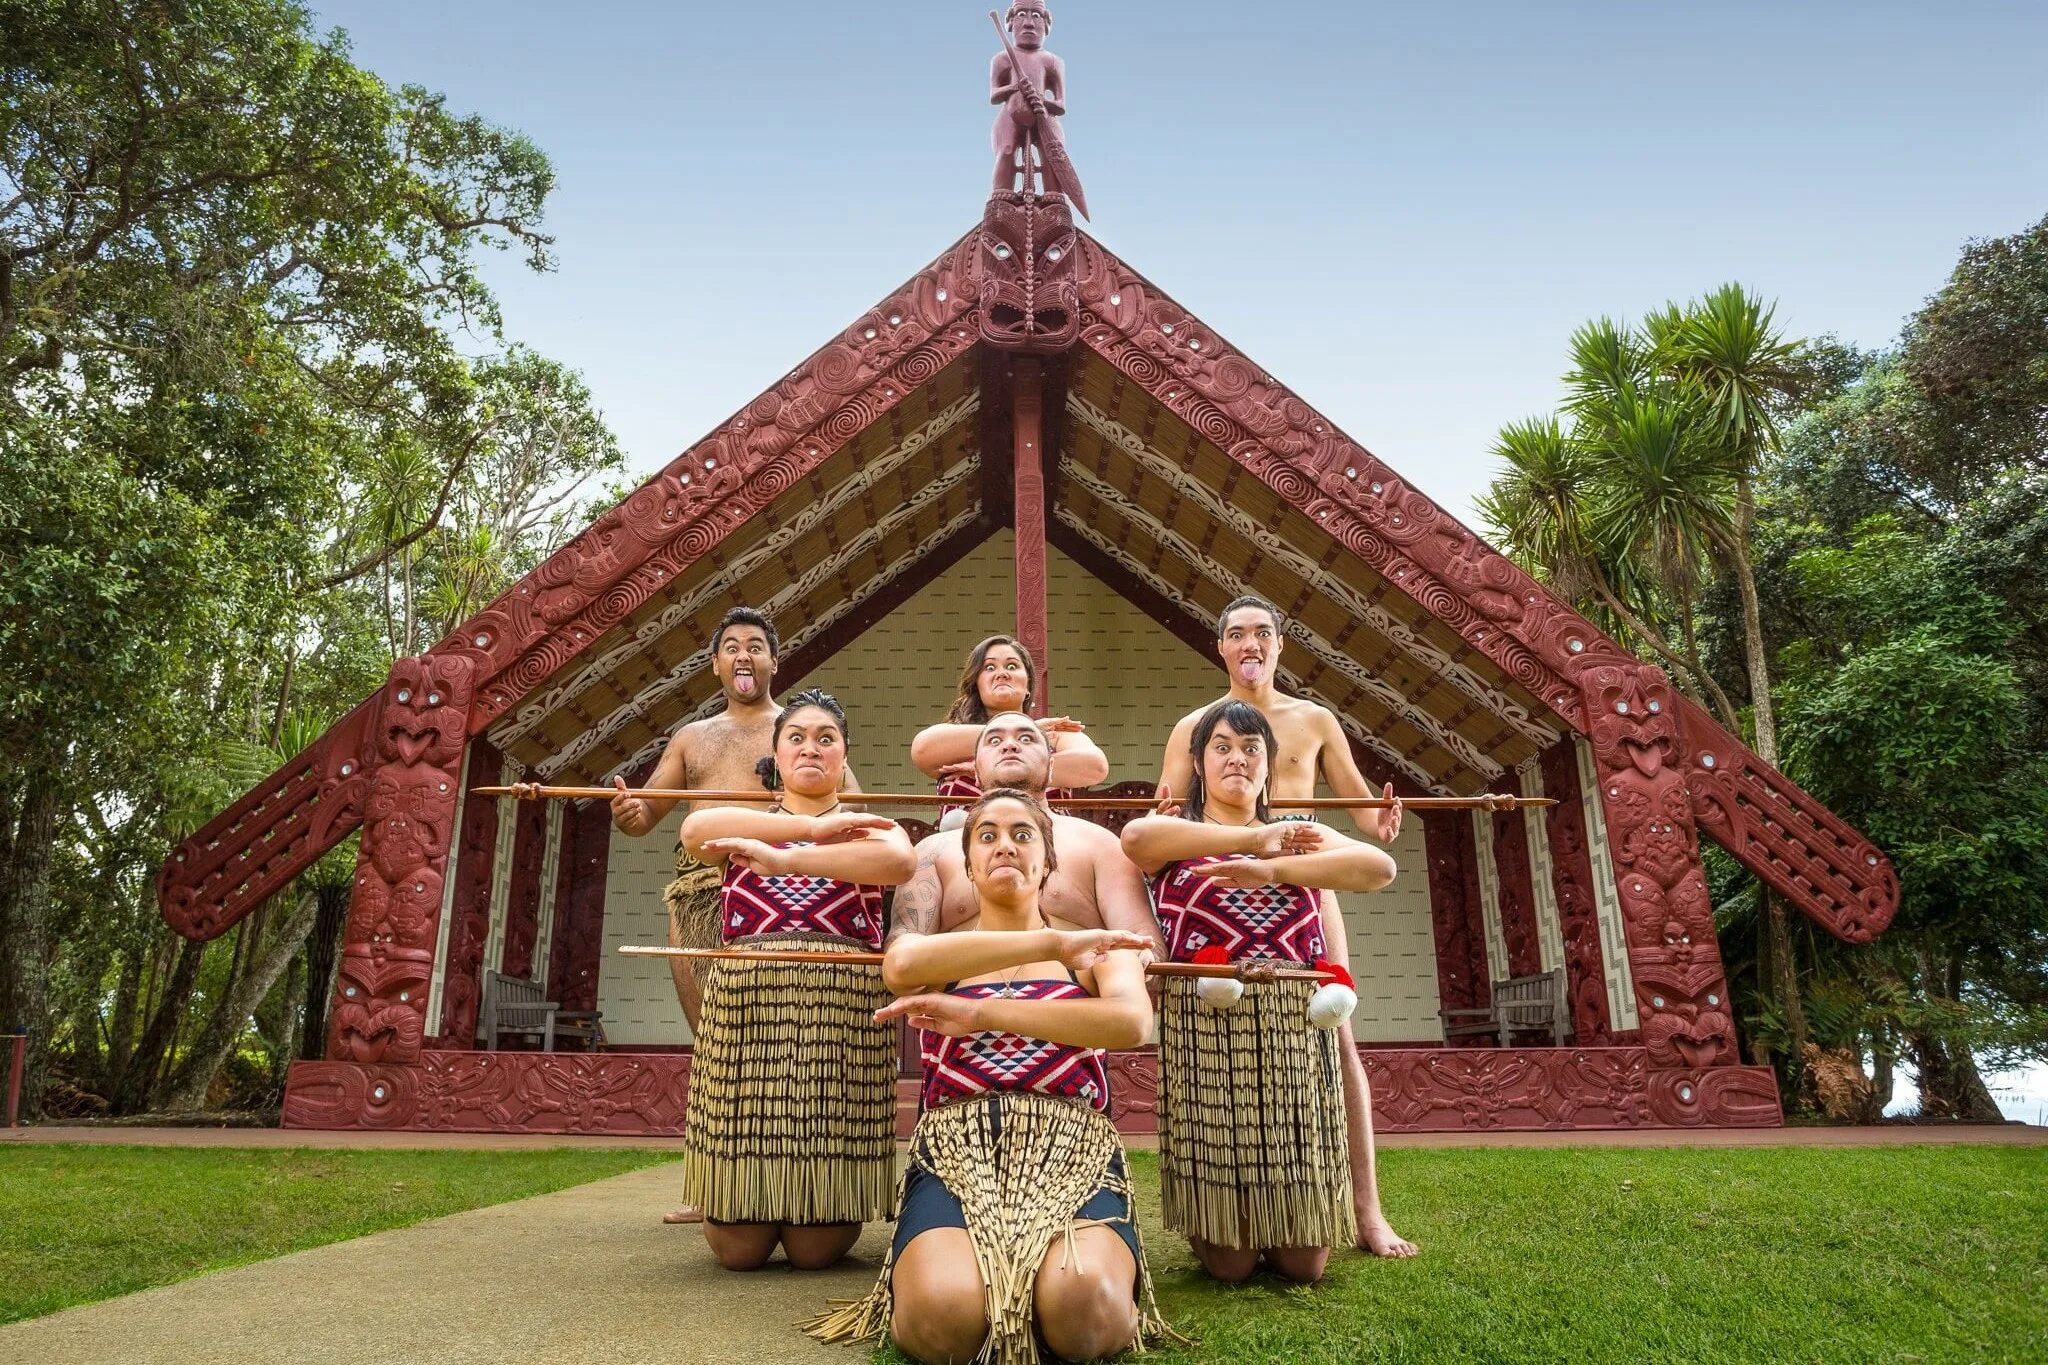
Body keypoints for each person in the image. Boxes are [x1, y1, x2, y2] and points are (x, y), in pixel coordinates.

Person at [807, 790, 1172, 1364]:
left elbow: (1129, 1023)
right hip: (957, 1154)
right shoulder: (941, 954)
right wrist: (1048, 943)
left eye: (1023, 835)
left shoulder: (1095, 949)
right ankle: (990, 1287)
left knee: (1083, 1310)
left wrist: (983, 1014)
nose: (1006, 845)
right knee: (942, 1319)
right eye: (988, 836)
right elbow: (899, 967)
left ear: (1048, 863)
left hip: (1070, 1151)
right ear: (970, 867)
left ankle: (1045, 1290)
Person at [1154, 593, 1419, 1259]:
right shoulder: (1194, 724)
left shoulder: (1316, 719)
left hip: (1303, 886)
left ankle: (1367, 1211)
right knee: (1223, 1032)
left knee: (1342, 1039)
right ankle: (1227, 1201)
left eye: (1263, 633)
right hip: (1218, 890)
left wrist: (1377, 824)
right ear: (1221, 647)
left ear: (1280, 646)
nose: (1251, 642)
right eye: (1237, 632)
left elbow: (1361, 809)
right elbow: (1165, 816)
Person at [1123, 701, 1398, 1283]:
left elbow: (1377, 868)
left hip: (1294, 1026)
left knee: (1305, 1265)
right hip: (1209, 1024)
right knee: (1230, 1264)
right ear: (1198, 762)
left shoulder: (1303, 836)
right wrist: (1256, 836)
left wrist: (1274, 867)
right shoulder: (1176, 834)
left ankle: (1314, 1211)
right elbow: (1137, 836)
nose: (1237, 760)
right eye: (1221, 747)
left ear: (1269, 766)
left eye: (1251, 750)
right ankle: (1221, 1222)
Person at [608, 606, 857, 1224]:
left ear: (775, 659)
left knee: (776, 1044)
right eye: (731, 647)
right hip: (699, 897)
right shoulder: (693, 738)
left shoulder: (799, 731)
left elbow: (852, 805)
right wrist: (629, 812)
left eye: (756, 646)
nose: (744, 656)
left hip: (781, 899)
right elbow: (648, 812)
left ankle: (796, 1178)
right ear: (716, 664)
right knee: (714, 1042)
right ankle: (714, 1184)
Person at [673, 689, 916, 1273]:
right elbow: (694, 830)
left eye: (826, 738)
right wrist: (798, 829)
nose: (812, 748)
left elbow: (899, 864)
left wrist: (800, 848)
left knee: (816, 1250)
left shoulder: (868, 828)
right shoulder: (739, 826)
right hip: (749, 1005)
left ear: (844, 757)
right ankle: (743, 1195)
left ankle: (818, 1198)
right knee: (737, 1249)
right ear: (776, 757)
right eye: (797, 738)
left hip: (838, 1012)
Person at [895, 712, 1162, 958]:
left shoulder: (1100, 844)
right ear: (974, 771)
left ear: (1052, 766)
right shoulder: (932, 852)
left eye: (1026, 738)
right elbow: (904, 946)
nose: (1010, 746)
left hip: (1073, 999)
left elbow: (1141, 938)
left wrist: (1134, 966)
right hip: (961, 996)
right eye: (994, 740)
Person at [909, 635, 1107, 824]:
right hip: (964, 848)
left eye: (1012, 666)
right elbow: (922, 749)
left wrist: (992, 768)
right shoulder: (953, 736)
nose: (1002, 673)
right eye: (989, 667)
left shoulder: (1057, 733)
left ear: (1029, 685)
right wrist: (1028, 729)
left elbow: (1095, 766)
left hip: (1049, 846)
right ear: (977, 684)